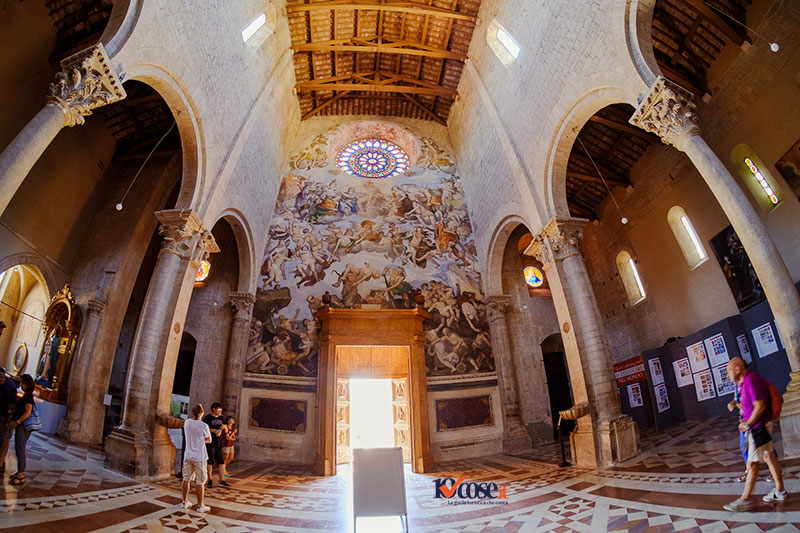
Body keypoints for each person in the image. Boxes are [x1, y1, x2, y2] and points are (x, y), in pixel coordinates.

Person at [723, 357, 787, 511]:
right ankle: (780, 490)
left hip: (758, 427)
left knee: (752, 464)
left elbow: (760, 406)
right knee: (769, 457)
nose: (728, 374)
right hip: (759, 426)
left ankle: (744, 500)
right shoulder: (743, 383)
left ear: (737, 369)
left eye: (729, 370)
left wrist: (748, 424)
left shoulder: (751, 380)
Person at [181, 404, 212, 512]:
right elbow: (209, 440)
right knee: (200, 482)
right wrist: (201, 440)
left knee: (186, 478)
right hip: (200, 457)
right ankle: (200, 505)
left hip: (188, 455)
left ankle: (184, 501)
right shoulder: (204, 426)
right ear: (202, 413)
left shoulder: (187, 422)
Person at [8, 374, 35, 485]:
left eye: (22, 382)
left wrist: (17, 422)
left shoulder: (28, 397)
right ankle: (20, 471)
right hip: (21, 426)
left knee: (20, 450)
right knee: (19, 448)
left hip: (23, 427)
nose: (21, 384)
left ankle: (21, 474)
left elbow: (27, 413)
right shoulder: (26, 396)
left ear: (26, 384)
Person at [203, 403, 229, 487]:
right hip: (211, 443)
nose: (220, 411)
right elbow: (204, 429)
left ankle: (222, 480)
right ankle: (209, 479)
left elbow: (226, 429)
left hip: (219, 443)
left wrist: (225, 428)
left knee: (221, 462)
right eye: (218, 409)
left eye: (221, 410)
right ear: (214, 409)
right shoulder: (207, 418)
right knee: (210, 461)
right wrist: (213, 431)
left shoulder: (221, 417)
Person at [0, 368, 18, 476]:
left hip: (6, 416)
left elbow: (12, 406)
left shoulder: (10, 386)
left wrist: (8, 420)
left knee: (4, 439)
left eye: (2, 378)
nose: (1, 380)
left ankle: (1, 463)